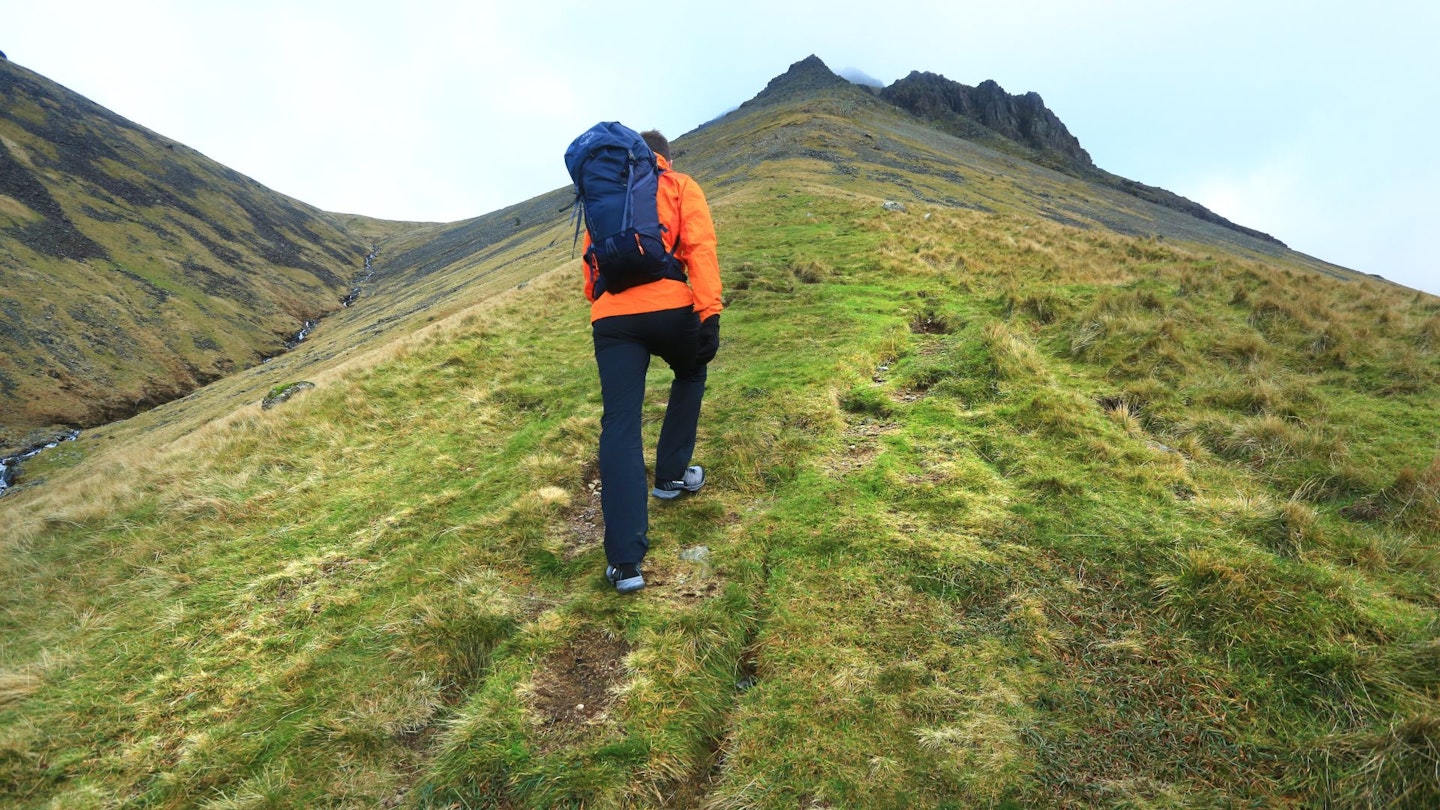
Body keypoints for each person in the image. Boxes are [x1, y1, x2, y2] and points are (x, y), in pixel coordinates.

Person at [583, 129, 722, 594]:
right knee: (690, 370)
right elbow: (699, 248)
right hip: (670, 306)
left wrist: (605, 306)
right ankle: (671, 475)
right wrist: (709, 313)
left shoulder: (604, 195)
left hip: (612, 317)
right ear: (661, 156)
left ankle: (625, 562)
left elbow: (592, 267)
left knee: (620, 424)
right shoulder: (679, 184)